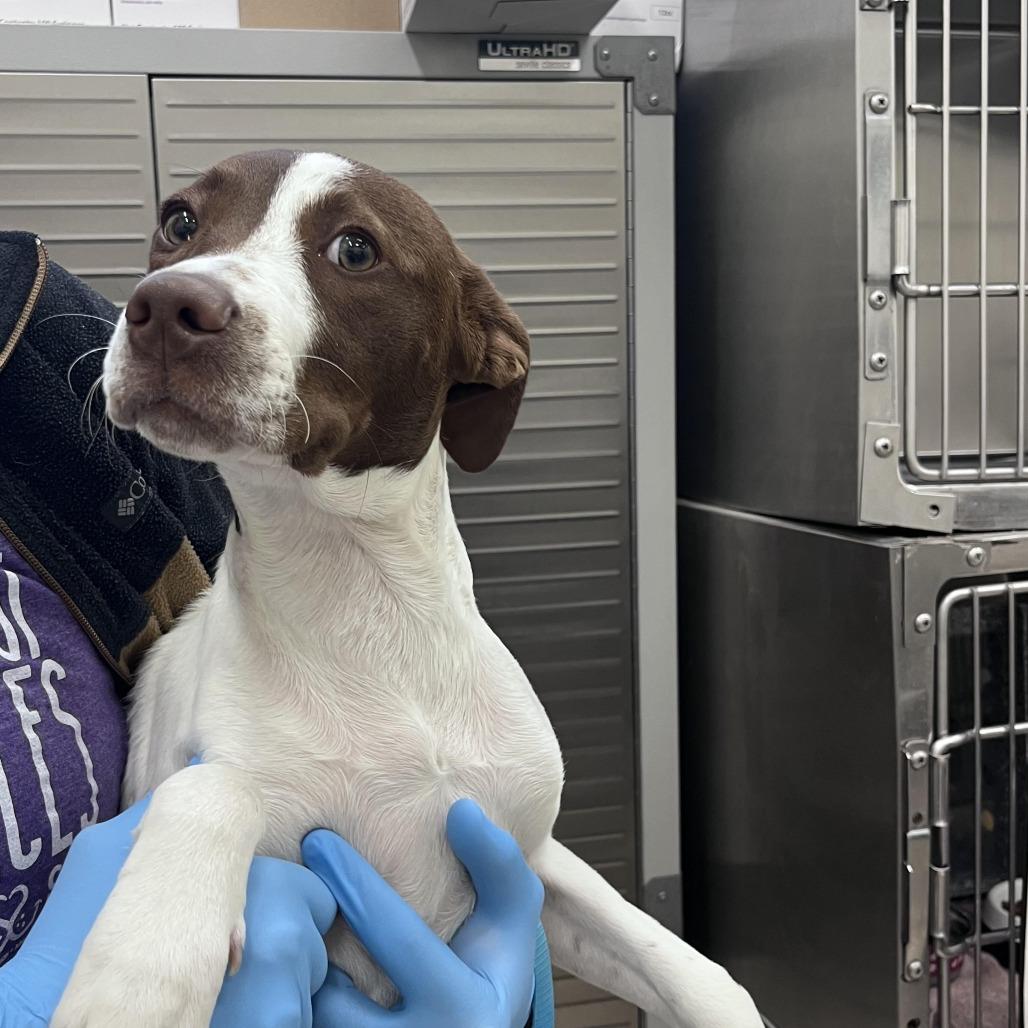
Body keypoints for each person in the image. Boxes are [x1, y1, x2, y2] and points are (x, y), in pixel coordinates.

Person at [0, 230, 554, 1026]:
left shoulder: (34, 334)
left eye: (356, 252)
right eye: (184, 231)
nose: (193, 278)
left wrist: (505, 975)